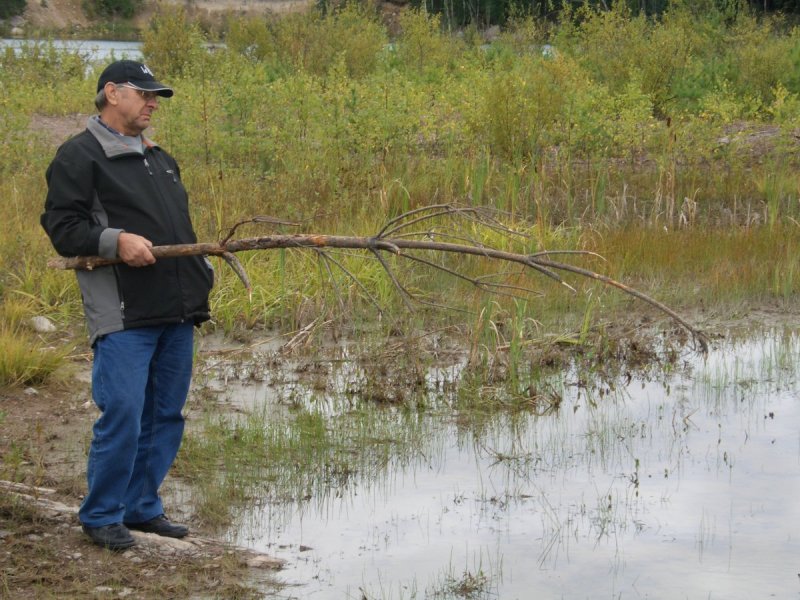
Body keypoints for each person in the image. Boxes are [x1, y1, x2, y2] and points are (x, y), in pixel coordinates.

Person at [41, 60, 214, 551]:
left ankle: (141, 507)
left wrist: (201, 276)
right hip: (122, 311)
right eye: (145, 93)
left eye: (156, 96)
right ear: (112, 93)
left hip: (177, 309)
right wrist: (115, 241)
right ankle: (101, 515)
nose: (153, 103)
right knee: (122, 412)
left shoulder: (160, 158)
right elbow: (63, 228)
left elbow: (178, 228)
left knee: (165, 414)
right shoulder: (79, 156)